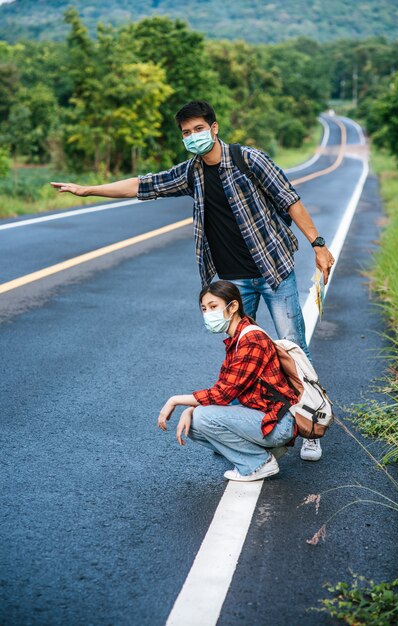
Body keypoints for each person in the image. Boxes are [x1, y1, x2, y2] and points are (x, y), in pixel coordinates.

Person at [51, 100, 334, 462]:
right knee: (239, 356)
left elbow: (290, 200)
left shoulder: (250, 160)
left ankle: (311, 426)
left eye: (198, 129)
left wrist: (318, 244)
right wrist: (88, 190)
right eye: (186, 133)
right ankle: (242, 430)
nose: (193, 137)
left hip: (273, 271)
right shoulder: (191, 173)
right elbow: (144, 185)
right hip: (233, 283)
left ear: (214, 128)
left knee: (292, 349)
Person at [157, 280, 300, 482]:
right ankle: (260, 453)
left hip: (277, 422)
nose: (208, 314)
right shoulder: (238, 338)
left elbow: (224, 394)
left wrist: (175, 400)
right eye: (204, 309)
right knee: (194, 424)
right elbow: (225, 390)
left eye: (213, 307)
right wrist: (191, 409)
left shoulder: (251, 340)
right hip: (264, 416)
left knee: (202, 418)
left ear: (233, 306)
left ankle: (258, 463)